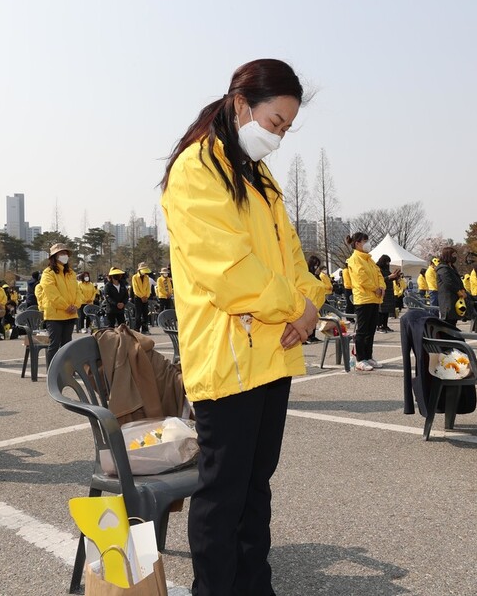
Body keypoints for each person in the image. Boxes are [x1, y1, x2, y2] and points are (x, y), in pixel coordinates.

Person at [160, 58, 324, 596]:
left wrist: (311, 304)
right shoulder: (197, 169)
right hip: (229, 354)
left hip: (270, 351)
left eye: (285, 128)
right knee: (223, 491)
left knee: (256, 486)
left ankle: (256, 587)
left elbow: (291, 255)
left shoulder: (257, 174)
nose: (277, 136)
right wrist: (293, 307)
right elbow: (227, 269)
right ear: (241, 105)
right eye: (274, 123)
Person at [39, 243, 83, 366]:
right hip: (55, 314)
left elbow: (78, 291)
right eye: (61, 253)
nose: (64, 256)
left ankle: (66, 369)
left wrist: (76, 305)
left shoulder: (71, 273)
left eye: (65, 253)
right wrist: (66, 306)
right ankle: (52, 372)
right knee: (54, 344)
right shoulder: (48, 273)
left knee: (67, 344)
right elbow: (51, 292)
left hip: (70, 314)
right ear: (54, 256)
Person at [346, 231, 385, 371]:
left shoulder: (369, 259)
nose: (368, 244)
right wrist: (375, 288)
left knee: (371, 330)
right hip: (363, 299)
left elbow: (379, 274)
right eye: (365, 241)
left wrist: (382, 286)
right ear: (357, 243)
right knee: (362, 331)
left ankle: (368, 357)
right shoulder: (354, 259)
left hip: (374, 298)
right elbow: (361, 278)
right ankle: (360, 359)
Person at [435, 247, 466, 327]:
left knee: (453, 321)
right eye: (453, 254)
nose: (455, 257)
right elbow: (448, 282)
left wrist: (462, 289)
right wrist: (458, 291)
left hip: (455, 299)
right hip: (447, 299)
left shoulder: (451, 267)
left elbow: (458, 280)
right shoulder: (442, 268)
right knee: (448, 322)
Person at [375, 254, 401, 334]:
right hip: (382, 291)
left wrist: (396, 276)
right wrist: (389, 277)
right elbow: (380, 280)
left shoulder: (386, 270)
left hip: (389, 291)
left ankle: (385, 325)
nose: (388, 264)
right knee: (381, 310)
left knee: (387, 310)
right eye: (386, 262)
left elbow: (389, 277)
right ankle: (379, 326)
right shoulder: (378, 269)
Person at [131, 262, 152, 334]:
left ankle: (145, 328)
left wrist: (146, 296)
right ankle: (136, 328)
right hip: (138, 298)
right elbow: (135, 289)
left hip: (145, 297)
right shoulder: (135, 277)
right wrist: (141, 296)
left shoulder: (147, 277)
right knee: (138, 314)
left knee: (145, 313)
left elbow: (148, 288)